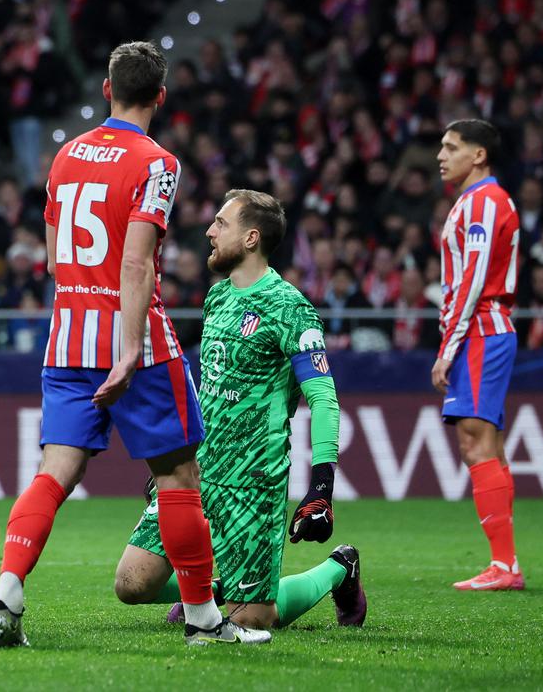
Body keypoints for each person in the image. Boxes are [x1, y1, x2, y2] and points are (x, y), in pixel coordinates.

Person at [0, 42, 269, 648]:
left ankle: (7, 593)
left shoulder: (65, 155)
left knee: (53, 473)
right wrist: (131, 347)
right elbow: (137, 263)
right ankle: (202, 620)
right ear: (160, 96)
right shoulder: (158, 161)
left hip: (66, 337)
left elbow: (57, 248)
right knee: (178, 475)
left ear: (107, 89)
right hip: (133, 342)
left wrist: (80, 307)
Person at [115, 190, 366, 631]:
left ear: (251, 238)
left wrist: (321, 485)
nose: (209, 232)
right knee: (132, 584)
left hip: (251, 481)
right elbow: (207, 386)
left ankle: (339, 569)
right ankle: (209, 591)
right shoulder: (217, 298)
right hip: (197, 469)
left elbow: (323, 398)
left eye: (221, 224)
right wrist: (171, 460)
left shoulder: (290, 308)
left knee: (252, 617)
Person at [431, 119, 522, 591]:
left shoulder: (485, 200)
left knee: (476, 440)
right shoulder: (472, 201)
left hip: (481, 332)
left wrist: (448, 347)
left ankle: (504, 566)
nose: (441, 156)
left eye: (452, 147)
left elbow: (473, 280)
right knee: (485, 442)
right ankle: (504, 562)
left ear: (479, 155)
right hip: (480, 332)